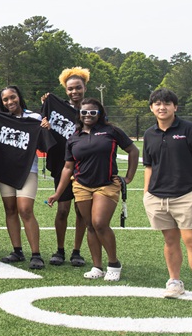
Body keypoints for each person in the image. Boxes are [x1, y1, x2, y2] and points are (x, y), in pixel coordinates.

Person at [48, 98, 138, 281]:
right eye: (84, 112)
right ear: (79, 114)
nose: (88, 115)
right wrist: (58, 193)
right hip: (81, 186)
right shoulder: (74, 137)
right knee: (89, 225)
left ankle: (114, 263)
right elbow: (68, 167)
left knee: (100, 223)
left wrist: (128, 178)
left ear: (100, 113)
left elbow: (133, 151)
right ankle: (97, 266)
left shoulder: (111, 131)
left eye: (92, 112)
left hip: (106, 184)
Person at [142, 88, 192, 308]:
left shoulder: (190, 130)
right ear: (151, 108)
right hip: (157, 197)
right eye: (157, 104)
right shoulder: (149, 134)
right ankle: (175, 282)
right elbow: (148, 165)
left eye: (167, 103)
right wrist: (146, 193)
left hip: (185, 196)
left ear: (175, 106)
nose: (162, 107)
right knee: (170, 241)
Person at [0, 86, 46, 269]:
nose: (9, 102)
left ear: (19, 97)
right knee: (10, 209)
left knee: (25, 209)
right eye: (5, 99)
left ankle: (36, 254)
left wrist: (46, 128)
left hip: (27, 170)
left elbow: (43, 144)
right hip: (5, 171)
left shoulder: (34, 117)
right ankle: (17, 251)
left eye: (12, 97)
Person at [41, 67, 89, 267]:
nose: (74, 91)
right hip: (62, 165)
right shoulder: (55, 107)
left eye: (78, 87)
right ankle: (59, 250)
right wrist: (46, 123)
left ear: (85, 88)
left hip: (85, 167)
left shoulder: (91, 110)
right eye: (70, 88)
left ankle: (77, 251)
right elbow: (42, 124)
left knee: (81, 211)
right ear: (65, 90)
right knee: (62, 210)